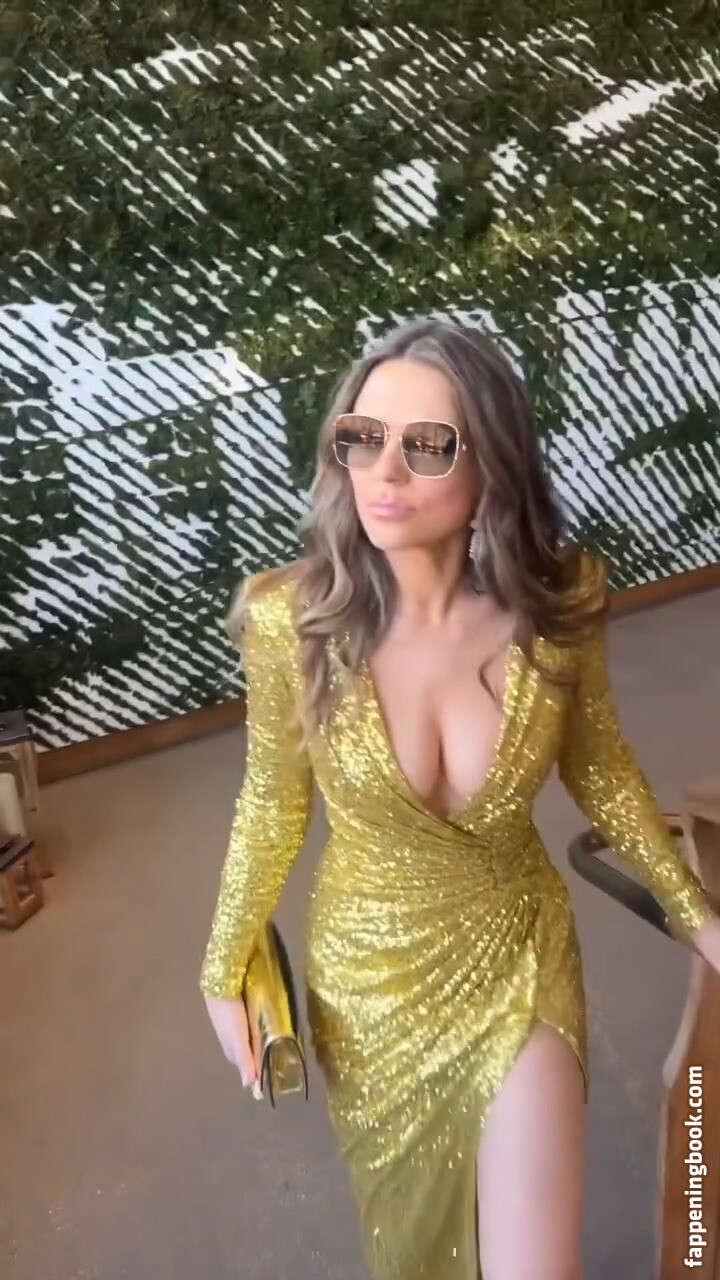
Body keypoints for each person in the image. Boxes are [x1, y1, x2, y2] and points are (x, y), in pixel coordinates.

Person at [200, 318, 720, 1280]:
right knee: (417, 1254)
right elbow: (272, 800)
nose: (384, 471)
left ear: (492, 467)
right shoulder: (292, 621)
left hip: (519, 951)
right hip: (372, 980)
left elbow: (600, 767)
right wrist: (222, 962)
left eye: (428, 445)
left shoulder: (559, 606)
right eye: (362, 437)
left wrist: (699, 918)